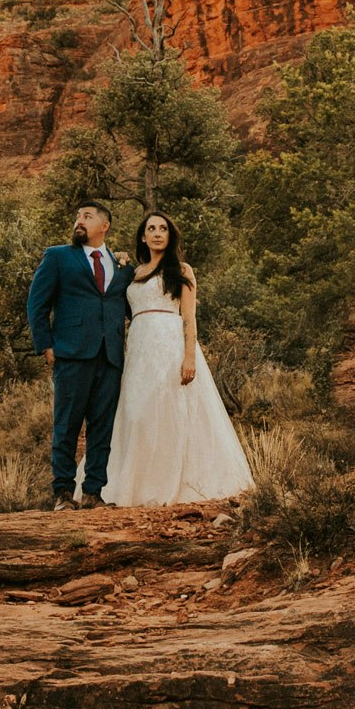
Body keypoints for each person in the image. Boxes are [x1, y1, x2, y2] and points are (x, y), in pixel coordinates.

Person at [100, 211, 253, 506]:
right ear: (143, 237)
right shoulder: (133, 273)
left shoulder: (182, 270)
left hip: (169, 344)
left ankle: (181, 482)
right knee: (137, 412)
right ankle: (134, 483)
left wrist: (189, 358)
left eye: (163, 229)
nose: (157, 233)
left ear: (170, 236)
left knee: (170, 408)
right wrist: (118, 264)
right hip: (139, 348)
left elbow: (189, 318)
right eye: (151, 229)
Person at [24, 200, 130, 510]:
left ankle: (93, 493)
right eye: (77, 217)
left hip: (110, 357)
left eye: (87, 216)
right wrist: (45, 345)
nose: (78, 221)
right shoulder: (58, 257)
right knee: (66, 425)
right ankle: (62, 494)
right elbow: (37, 304)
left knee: (102, 427)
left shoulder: (121, 265)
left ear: (104, 226)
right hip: (70, 354)